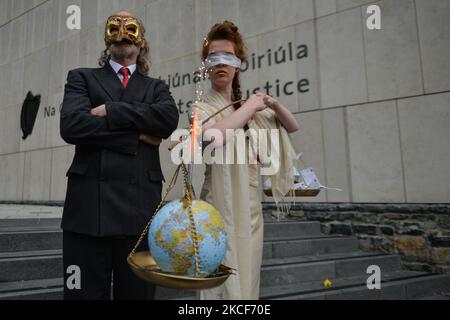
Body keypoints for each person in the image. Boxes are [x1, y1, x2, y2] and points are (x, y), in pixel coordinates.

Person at [60, 11, 179, 300]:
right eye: (114, 27)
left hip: (140, 213)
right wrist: (137, 134)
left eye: (131, 27)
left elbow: (167, 120)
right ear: (106, 39)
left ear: (142, 41)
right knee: (82, 295)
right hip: (88, 210)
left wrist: (111, 110)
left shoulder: (156, 87)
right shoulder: (81, 78)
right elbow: (72, 125)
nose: (122, 33)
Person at [194, 21, 300, 300]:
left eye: (227, 58)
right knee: (218, 279)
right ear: (205, 66)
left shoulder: (248, 109)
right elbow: (212, 137)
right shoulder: (201, 106)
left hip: (251, 208)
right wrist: (251, 106)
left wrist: (273, 104)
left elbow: (292, 126)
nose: (220, 64)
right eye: (213, 58)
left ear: (238, 64)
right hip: (218, 205)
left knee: (247, 279)